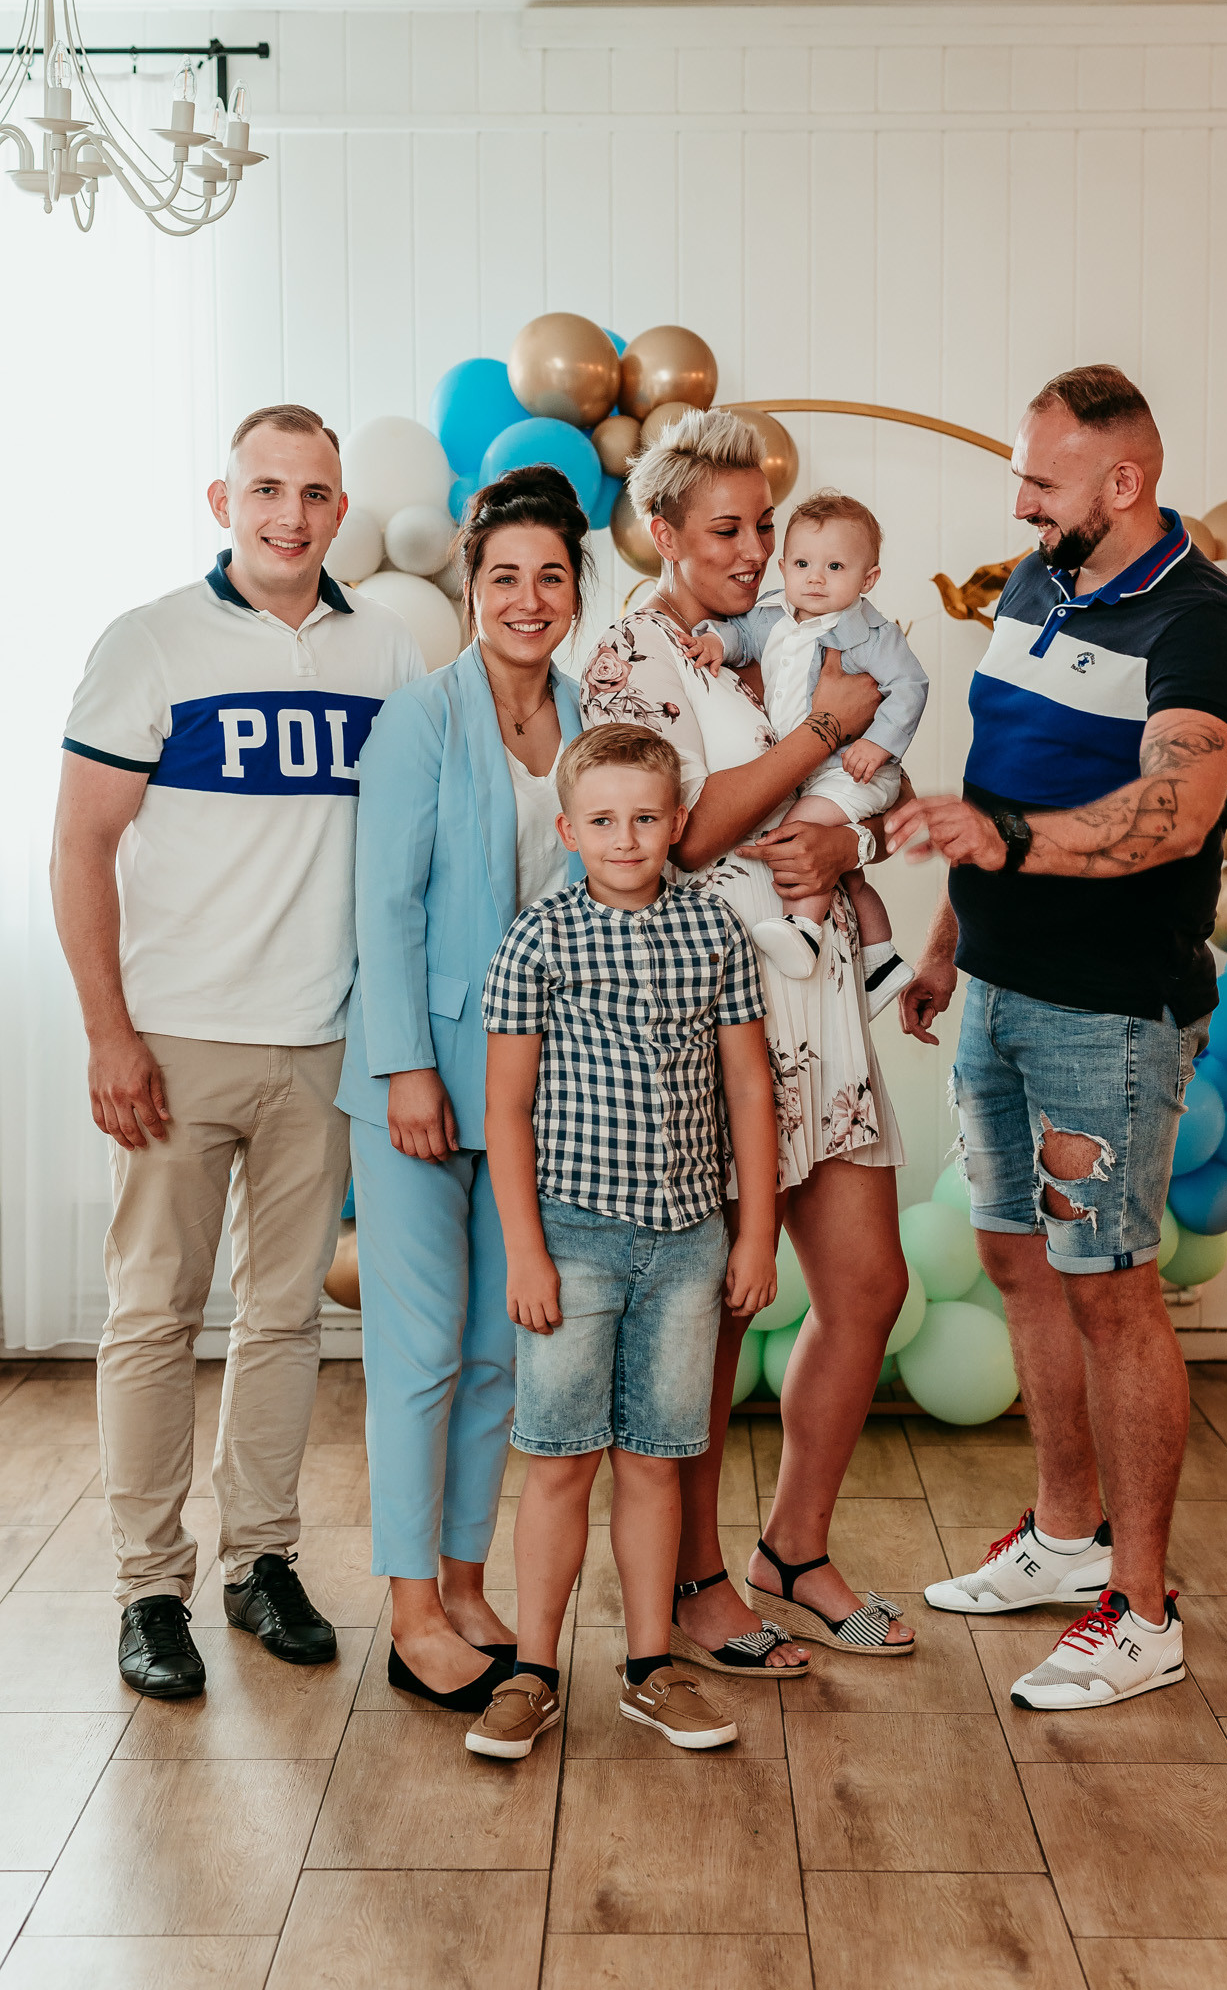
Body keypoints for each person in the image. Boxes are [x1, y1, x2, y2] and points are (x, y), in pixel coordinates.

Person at [891, 365, 1227, 1710]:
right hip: (996, 987)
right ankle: (1063, 1538)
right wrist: (948, 943)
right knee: (1016, 1259)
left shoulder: (1202, 621)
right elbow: (996, 781)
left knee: (1108, 1289)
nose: (1018, 503)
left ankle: (1142, 1609)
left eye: (1039, 481)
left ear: (1122, 480)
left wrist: (997, 843)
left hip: (1105, 1012)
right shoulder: (1034, 583)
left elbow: (1172, 814)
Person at [50, 404, 424, 1699]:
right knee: (154, 1314)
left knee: (282, 1317)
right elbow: (80, 845)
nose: (290, 515)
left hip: (321, 1041)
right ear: (223, 503)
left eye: (313, 494)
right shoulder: (150, 641)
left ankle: (260, 1560)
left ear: (340, 510)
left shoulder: (384, 651)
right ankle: (147, 1587)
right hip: (175, 1038)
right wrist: (108, 1032)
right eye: (265, 489)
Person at [582, 407, 916, 1667]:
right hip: (716, 1014)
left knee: (866, 1285)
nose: (755, 548)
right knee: (715, 1314)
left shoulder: (773, 635)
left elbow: (855, 786)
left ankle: (794, 1546)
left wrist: (847, 836)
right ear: (660, 532)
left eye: (764, 525)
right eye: (724, 528)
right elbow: (686, 828)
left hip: (817, 998)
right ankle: (694, 1578)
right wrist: (822, 728)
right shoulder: (630, 655)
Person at [465, 724, 778, 1759]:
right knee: (560, 1460)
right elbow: (506, 1109)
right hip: (571, 1241)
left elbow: (748, 1089)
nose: (625, 837)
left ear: (677, 822)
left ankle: (651, 1667)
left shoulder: (712, 929)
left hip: (688, 1244)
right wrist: (524, 1251)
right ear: (567, 830)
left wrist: (754, 1233)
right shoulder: (537, 939)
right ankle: (532, 1672)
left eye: (645, 817)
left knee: (655, 1460)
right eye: (601, 820)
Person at [337, 466, 590, 1713]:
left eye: (550, 576)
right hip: (422, 1078)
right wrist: (403, 1068)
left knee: (500, 1348)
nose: (526, 598)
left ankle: (463, 1578)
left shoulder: (588, 717)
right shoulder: (420, 716)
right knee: (421, 1349)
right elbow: (382, 903)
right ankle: (407, 1613)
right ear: (469, 587)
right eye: (503, 577)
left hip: (535, 1087)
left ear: (576, 588)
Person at [686, 488, 927, 1014]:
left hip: (852, 769)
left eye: (834, 567)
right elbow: (741, 638)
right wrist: (717, 644)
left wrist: (878, 743)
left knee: (801, 833)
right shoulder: (774, 614)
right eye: (802, 564)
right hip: (810, 768)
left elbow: (910, 686)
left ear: (868, 579)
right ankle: (881, 960)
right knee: (847, 873)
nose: (815, 578)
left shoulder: (873, 635)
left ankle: (803, 928)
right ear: (785, 567)